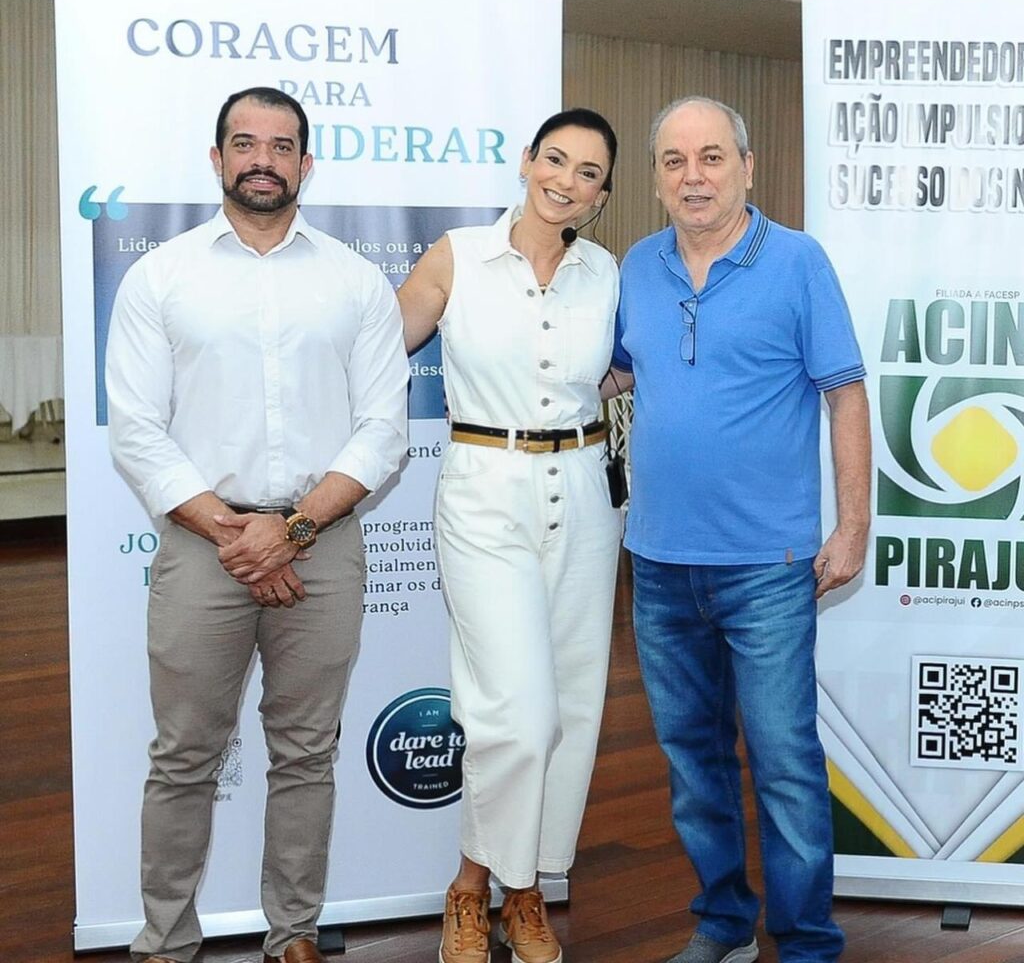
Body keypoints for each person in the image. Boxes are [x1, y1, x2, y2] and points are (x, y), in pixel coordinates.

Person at [105, 86, 409, 963]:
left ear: (306, 164)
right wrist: (239, 534)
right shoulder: (162, 276)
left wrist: (294, 530)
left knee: (306, 753)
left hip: (323, 547)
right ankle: (165, 941)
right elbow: (136, 429)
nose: (262, 161)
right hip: (204, 549)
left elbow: (383, 429)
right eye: (245, 144)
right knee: (184, 756)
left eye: (281, 147)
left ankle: (294, 935)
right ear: (218, 159)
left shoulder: (355, 281)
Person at [606, 97, 870, 963]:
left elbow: (845, 396)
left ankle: (806, 944)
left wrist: (853, 526)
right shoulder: (636, 267)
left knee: (785, 763)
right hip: (657, 562)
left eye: (712, 157)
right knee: (692, 762)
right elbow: (612, 374)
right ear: (656, 178)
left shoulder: (798, 262)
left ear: (747, 168)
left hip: (768, 564)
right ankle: (724, 924)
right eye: (674, 161)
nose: (694, 177)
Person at [398, 108, 623, 963]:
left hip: (586, 494)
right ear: (526, 161)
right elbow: (375, 351)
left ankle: (523, 892)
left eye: (588, 172)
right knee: (517, 713)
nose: (566, 181)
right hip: (485, 491)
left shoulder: (606, 273)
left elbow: (619, 368)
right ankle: (475, 886)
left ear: (602, 194)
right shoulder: (458, 255)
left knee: (571, 705)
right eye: (555, 160)